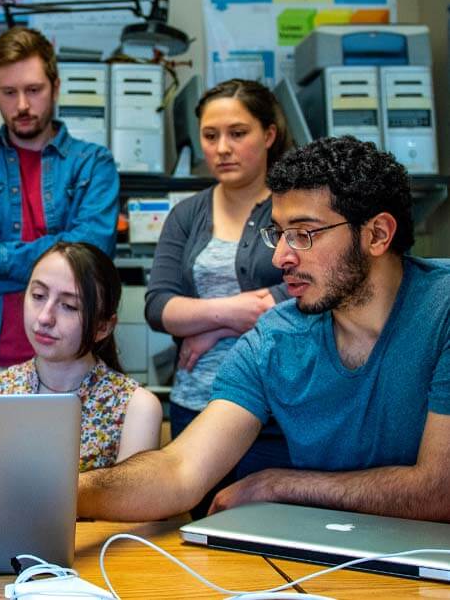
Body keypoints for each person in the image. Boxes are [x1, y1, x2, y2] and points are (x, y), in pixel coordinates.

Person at [78, 136, 450, 523]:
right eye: (278, 233)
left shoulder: (441, 310)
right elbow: (180, 470)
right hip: (330, 557)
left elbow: (439, 492)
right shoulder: (275, 337)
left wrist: (278, 485)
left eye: (303, 234)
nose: (280, 257)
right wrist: (64, 494)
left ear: (376, 234)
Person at [0, 26, 120, 389]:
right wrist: (60, 261)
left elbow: (93, 254)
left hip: (71, 366)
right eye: (9, 92)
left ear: (55, 86)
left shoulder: (94, 163)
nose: (21, 105)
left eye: (33, 90)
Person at [144, 79, 293, 516]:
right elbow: (158, 306)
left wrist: (208, 331)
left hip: (277, 411)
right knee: (203, 535)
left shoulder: (293, 207)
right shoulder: (187, 214)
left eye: (237, 133)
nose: (222, 147)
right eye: (211, 136)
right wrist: (232, 313)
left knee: (274, 532)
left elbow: (307, 293)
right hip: (196, 404)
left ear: (268, 135)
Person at [0, 242, 161, 470]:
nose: (44, 317)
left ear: (103, 327)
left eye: (69, 306)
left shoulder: (136, 407)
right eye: (38, 295)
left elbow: (130, 501)